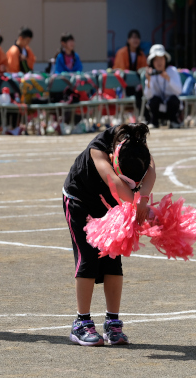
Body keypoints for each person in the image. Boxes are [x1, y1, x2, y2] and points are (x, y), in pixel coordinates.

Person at [63, 123, 156, 346]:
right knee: (88, 258)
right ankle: (81, 323)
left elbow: (151, 168)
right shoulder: (99, 149)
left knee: (113, 259)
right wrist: (140, 207)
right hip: (80, 201)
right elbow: (115, 183)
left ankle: (112, 323)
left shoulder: (137, 148)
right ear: (115, 158)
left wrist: (143, 198)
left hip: (112, 203)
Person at [144, 44, 182, 129]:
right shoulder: (151, 74)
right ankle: (154, 122)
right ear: (152, 62)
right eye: (156, 60)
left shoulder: (172, 71)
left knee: (174, 99)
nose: (159, 62)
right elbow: (148, 96)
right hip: (158, 109)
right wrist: (149, 81)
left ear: (165, 59)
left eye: (161, 58)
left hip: (172, 108)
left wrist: (168, 78)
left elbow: (179, 91)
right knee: (153, 100)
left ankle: (173, 121)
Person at [113, 29, 148, 118]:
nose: (135, 40)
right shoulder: (121, 53)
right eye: (133, 37)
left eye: (137, 38)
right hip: (124, 85)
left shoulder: (141, 54)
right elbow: (120, 70)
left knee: (142, 93)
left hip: (137, 86)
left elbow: (145, 70)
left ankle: (144, 117)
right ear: (128, 40)